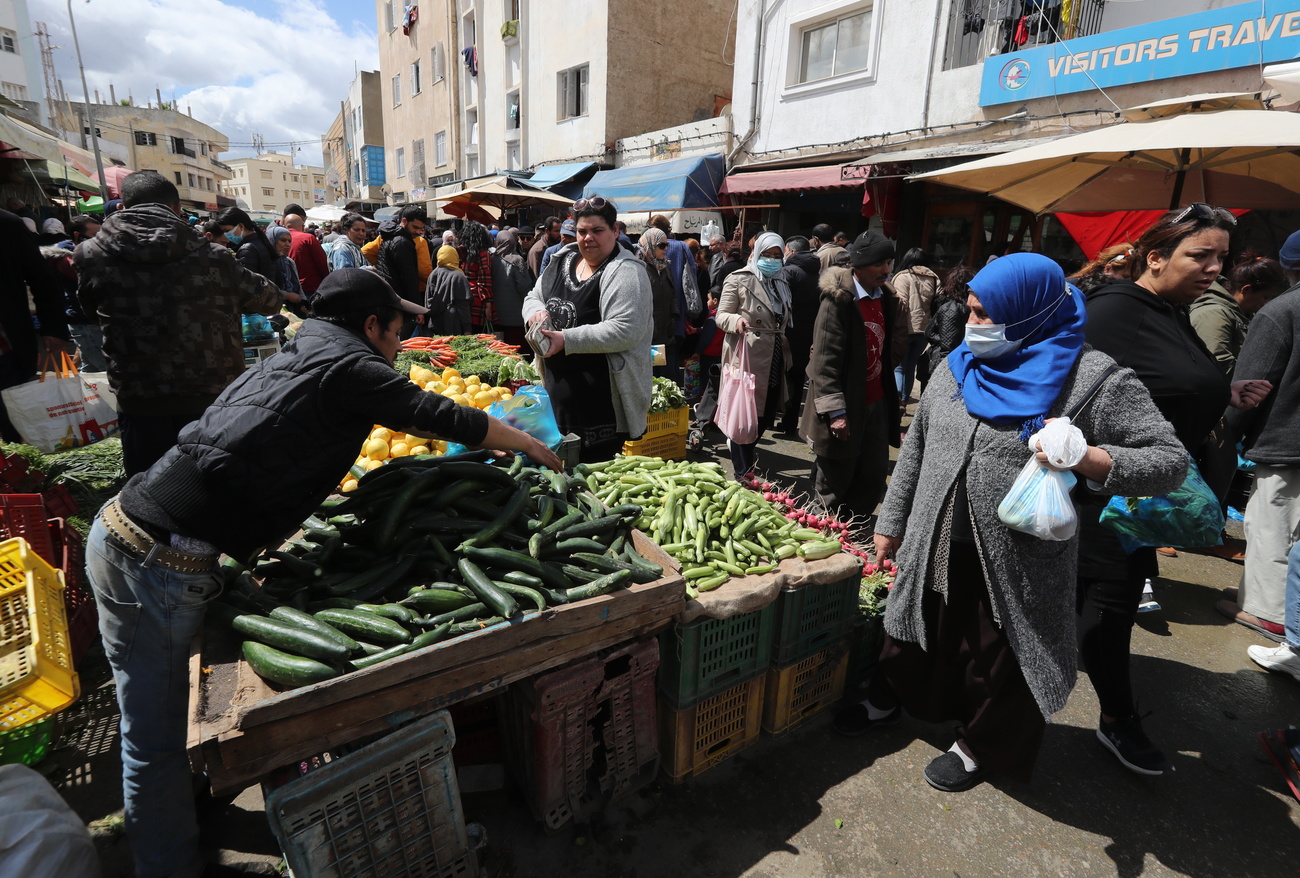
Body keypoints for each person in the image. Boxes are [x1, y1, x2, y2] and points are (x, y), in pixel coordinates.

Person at [85, 268, 559, 878]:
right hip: (158, 559)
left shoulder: (304, 349)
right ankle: (168, 864)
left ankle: (180, 826)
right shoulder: (352, 366)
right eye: (395, 331)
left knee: (158, 725)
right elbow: (429, 412)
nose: (396, 345)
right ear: (370, 327)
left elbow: (394, 421)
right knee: (152, 743)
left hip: (132, 530)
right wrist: (520, 440)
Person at [836, 252, 1187, 794]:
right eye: (970, 311)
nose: (973, 325)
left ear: (1031, 313)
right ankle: (893, 700)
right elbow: (918, 448)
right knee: (910, 631)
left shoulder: (1093, 378)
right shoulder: (959, 364)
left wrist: (1087, 456)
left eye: (984, 315)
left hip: (1020, 556)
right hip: (935, 537)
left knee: (997, 657)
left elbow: (1169, 461)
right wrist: (892, 518)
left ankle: (979, 744)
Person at [1079, 203, 1269, 775]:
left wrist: (1224, 395)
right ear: (1155, 258)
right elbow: (1074, 393)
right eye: (1200, 255)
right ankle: (1115, 720)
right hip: (1107, 495)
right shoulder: (1114, 312)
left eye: (1222, 258)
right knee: (1106, 610)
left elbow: (1171, 380)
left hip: (1148, 495)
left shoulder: (1169, 308)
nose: (1216, 268)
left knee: (1108, 602)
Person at [77, 172, 281, 476]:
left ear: (122, 207)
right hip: (210, 397)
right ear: (176, 210)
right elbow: (269, 300)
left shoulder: (90, 254)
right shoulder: (213, 256)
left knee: (147, 496)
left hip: (139, 396)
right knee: (210, 490)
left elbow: (91, 312)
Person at [522, 196, 652, 461]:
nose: (587, 238)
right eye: (582, 231)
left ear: (615, 231)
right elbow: (533, 295)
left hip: (601, 405)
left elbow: (625, 329)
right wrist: (535, 313)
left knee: (592, 479)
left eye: (597, 230)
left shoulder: (626, 271)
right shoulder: (564, 259)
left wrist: (565, 339)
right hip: (558, 396)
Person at [1220, 230, 1300, 643]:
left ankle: (1267, 612)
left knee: (1273, 527)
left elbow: (1248, 387)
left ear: (1287, 267)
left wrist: (1222, 438)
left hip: (1287, 442)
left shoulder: (1281, 311)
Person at [800, 230, 899, 521]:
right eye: (879, 264)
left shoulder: (887, 298)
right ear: (860, 265)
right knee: (835, 478)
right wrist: (836, 412)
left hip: (875, 402)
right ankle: (821, 535)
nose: (886, 270)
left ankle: (852, 532)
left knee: (872, 474)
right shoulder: (838, 300)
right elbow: (824, 363)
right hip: (845, 405)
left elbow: (890, 345)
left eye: (889, 263)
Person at [716, 231, 792, 479]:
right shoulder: (738, 279)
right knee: (744, 415)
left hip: (775, 356)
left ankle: (747, 460)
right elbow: (721, 315)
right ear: (756, 253)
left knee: (766, 413)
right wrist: (736, 320)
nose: (771, 260)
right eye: (767, 254)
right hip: (747, 355)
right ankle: (743, 471)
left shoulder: (782, 282)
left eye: (776, 255)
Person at [0, 210, 71, 442]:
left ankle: (18, 475)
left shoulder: (7, 224)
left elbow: (41, 278)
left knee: (14, 428)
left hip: (6, 352)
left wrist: (53, 329)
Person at [1190, 255, 1288, 377]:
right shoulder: (1213, 314)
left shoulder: (1244, 313)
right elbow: (1218, 363)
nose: (1267, 303)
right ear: (1246, 290)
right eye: (1266, 297)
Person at [777, 235, 820, 434]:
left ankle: (774, 417)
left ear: (791, 251)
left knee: (780, 378)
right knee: (797, 378)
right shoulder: (818, 274)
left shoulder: (788, 272)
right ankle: (790, 422)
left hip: (787, 334)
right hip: (808, 335)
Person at [891, 248, 940, 403]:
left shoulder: (902, 277)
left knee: (899, 367)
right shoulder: (933, 278)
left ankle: (898, 402)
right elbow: (937, 303)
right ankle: (904, 399)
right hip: (924, 329)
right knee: (910, 367)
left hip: (904, 328)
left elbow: (899, 304)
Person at [375, 205, 428, 337]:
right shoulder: (402, 242)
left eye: (420, 228)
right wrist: (417, 309)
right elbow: (409, 278)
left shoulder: (390, 236)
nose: (417, 232)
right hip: (399, 301)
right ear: (404, 221)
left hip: (390, 298)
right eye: (415, 227)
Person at [921, 265, 974, 395]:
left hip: (945, 364)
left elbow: (948, 345)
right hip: (947, 362)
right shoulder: (960, 307)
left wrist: (942, 375)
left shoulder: (954, 308)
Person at [637, 227, 679, 356]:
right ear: (649, 245)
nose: (665, 249)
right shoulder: (639, 269)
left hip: (666, 336)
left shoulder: (665, 267)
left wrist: (674, 317)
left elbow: (673, 294)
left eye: (667, 245)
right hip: (647, 339)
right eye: (661, 245)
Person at [490, 227, 532, 346]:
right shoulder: (517, 260)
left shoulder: (492, 259)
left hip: (496, 315)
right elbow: (524, 287)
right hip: (516, 316)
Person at [215, 207, 278, 284]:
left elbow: (247, 284)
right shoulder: (260, 241)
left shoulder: (247, 249)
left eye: (227, 230)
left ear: (241, 226)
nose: (226, 235)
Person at [282, 205, 330, 296]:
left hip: (287, 290)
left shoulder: (276, 239)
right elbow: (322, 263)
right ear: (302, 226)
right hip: (310, 287)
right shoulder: (308, 238)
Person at [425, 244, 471, 334]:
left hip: (435, 324)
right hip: (455, 325)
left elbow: (428, 302)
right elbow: (463, 305)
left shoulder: (433, 274)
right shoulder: (458, 276)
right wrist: (467, 329)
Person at [460, 220, 495, 333]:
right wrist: (488, 304)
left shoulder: (460, 252)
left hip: (462, 295)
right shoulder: (483, 254)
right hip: (477, 299)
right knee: (479, 335)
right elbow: (485, 281)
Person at [266, 225, 309, 316]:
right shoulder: (268, 261)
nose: (287, 244)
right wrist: (287, 295)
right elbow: (266, 288)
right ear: (272, 240)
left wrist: (303, 303)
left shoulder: (289, 262)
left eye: (289, 241)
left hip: (293, 310)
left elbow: (297, 285)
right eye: (283, 240)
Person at [529, 215, 562, 280]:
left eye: (560, 231)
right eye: (556, 231)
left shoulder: (559, 245)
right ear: (547, 231)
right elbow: (537, 277)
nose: (560, 234)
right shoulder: (537, 250)